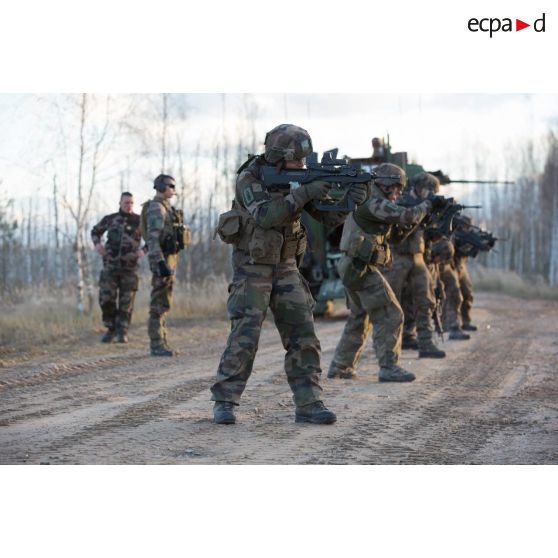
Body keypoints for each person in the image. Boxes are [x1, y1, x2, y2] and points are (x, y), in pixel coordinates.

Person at [210, 123, 367, 425]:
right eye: (297, 159)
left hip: (286, 266)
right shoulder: (250, 177)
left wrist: (351, 201)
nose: (302, 165)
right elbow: (266, 216)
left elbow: (327, 217)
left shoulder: (298, 178)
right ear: (278, 156)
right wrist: (305, 192)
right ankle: (225, 400)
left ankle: (309, 402)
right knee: (245, 335)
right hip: (252, 268)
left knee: (303, 334)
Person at [327, 163, 441, 382]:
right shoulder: (372, 201)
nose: (399, 192)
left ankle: (341, 366)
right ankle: (389, 367)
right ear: (386, 184)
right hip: (360, 267)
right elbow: (406, 216)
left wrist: (421, 218)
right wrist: (427, 205)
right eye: (397, 187)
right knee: (391, 313)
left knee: (360, 317)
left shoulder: (375, 201)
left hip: (355, 266)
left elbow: (397, 237)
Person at [381, 172, 445, 359]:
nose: (431, 194)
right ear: (419, 187)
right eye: (429, 190)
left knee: (426, 301)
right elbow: (405, 220)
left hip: (417, 256)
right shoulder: (402, 201)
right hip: (397, 255)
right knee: (392, 302)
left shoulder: (425, 206)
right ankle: (389, 350)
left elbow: (429, 233)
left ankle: (426, 344)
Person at [145, 174, 190, 356]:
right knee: (158, 302)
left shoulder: (165, 207)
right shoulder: (157, 208)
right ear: (162, 187)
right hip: (162, 260)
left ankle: (161, 341)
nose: (173, 190)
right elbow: (152, 238)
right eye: (170, 186)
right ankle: (156, 344)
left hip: (168, 259)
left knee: (164, 301)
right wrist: (160, 262)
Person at [91, 192, 144, 343]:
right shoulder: (110, 219)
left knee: (126, 302)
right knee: (106, 299)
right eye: (126, 202)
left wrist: (143, 251)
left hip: (130, 267)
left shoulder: (139, 221)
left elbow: (153, 238)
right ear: (120, 203)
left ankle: (122, 332)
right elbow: (95, 231)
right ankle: (111, 329)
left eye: (131, 203)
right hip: (110, 266)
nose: (129, 205)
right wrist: (98, 244)